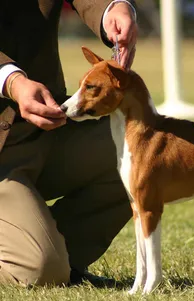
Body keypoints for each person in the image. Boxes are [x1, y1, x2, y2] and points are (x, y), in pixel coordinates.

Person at [0, 0, 138, 286]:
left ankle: (61, 258)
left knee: (144, 155)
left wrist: (114, 8)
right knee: (39, 271)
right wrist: (12, 81)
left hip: (50, 128)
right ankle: (40, 259)